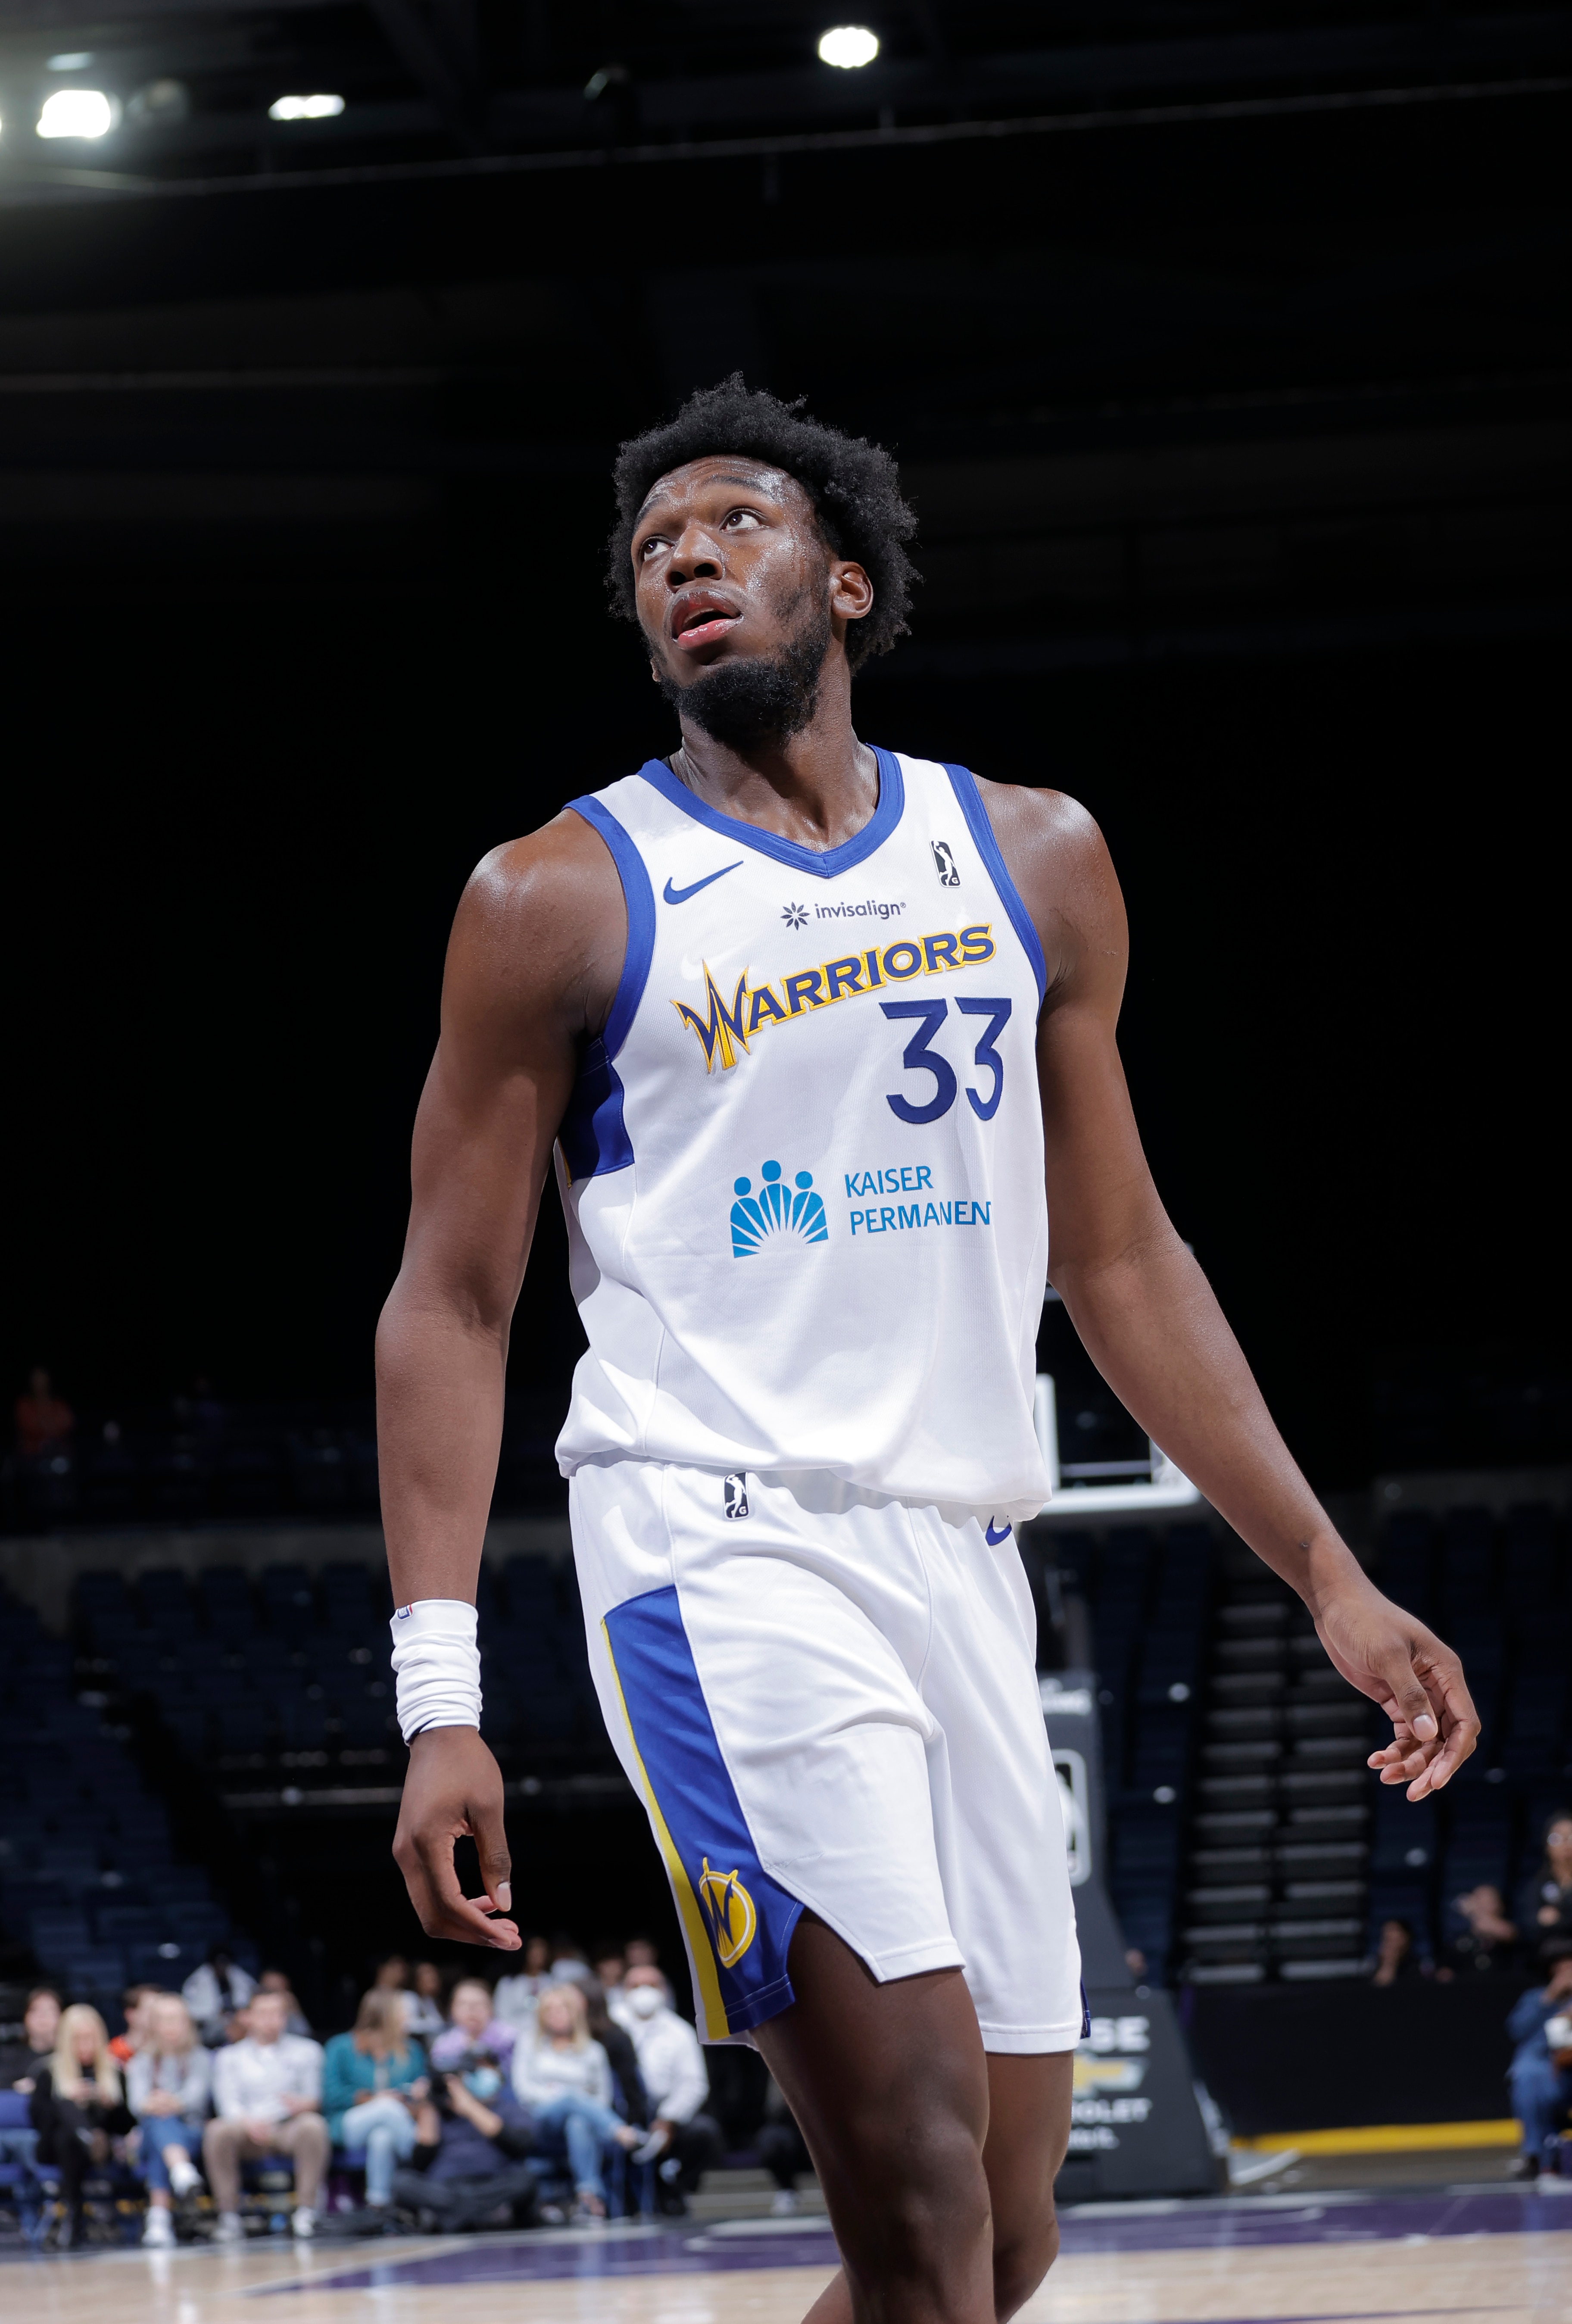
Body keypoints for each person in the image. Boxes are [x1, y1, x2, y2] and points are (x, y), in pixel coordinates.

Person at [376, 375, 1481, 2323]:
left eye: (731, 524)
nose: (686, 561)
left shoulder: (1032, 855)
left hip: (959, 1559)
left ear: (852, 582)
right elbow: (450, 1303)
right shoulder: (550, 894)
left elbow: (1119, 1253)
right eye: (651, 552)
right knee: (912, 2209)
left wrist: (1324, 1567)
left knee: (1005, 2219)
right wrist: (437, 1693)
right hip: (719, 1550)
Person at [204, 1985, 327, 2241]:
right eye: (263, 2013)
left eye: (278, 2014)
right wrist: (249, 2123)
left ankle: (306, 2212)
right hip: (246, 2129)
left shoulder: (308, 2050)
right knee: (218, 2130)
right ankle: (228, 2216)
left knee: (313, 2126)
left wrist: (302, 2105)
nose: (271, 2021)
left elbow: (313, 2098)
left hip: (288, 2127)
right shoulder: (230, 2057)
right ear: (247, 2017)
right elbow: (228, 2103)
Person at [512, 1981, 642, 2221]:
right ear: (541, 2015)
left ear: (575, 2013)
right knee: (572, 2098)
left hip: (584, 2122)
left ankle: (588, 2198)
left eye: (562, 2009)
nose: (556, 2015)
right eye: (550, 2010)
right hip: (540, 2119)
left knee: (578, 2122)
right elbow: (524, 2090)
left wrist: (569, 2097)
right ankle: (620, 2131)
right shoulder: (529, 2044)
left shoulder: (593, 2050)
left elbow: (602, 2098)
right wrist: (563, 2096)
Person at [391, 2051, 539, 2232]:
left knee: (526, 2179)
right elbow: (420, 2161)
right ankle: (480, 2215)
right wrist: (428, 2106)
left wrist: (469, 2106)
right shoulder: (435, 2112)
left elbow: (520, 2145)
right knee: (402, 2182)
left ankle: (457, 2217)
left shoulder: (505, 2108)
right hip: (446, 2189)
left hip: (491, 2184)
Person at [28, 2003, 135, 2248]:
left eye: (90, 2039)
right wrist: (65, 2102)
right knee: (66, 2130)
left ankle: (73, 2214)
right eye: (78, 2039)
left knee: (75, 2136)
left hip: (105, 2151)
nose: (85, 2046)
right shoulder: (48, 2073)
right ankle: (87, 2136)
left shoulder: (113, 2072)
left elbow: (126, 2126)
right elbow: (39, 2122)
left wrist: (111, 2105)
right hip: (55, 2149)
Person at [615, 1969, 721, 2214]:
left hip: (663, 2116)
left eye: (651, 1985)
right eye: (636, 1986)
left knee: (705, 2133)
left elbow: (694, 2084)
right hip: (620, 2115)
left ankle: (674, 2187)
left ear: (663, 1991)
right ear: (624, 1991)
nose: (644, 1992)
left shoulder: (679, 2030)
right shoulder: (611, 2024)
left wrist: (668, 2120)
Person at [322, 1989, 429, 2215]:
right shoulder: (340, 2047)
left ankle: (378, 2206)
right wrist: (374, 2099)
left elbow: (419, 2091)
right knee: (386, 2109)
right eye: (403, 2012)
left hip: (397, 2122)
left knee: (383, 2137)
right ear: (385, 2015)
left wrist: (417, 2094)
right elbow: (331, 2096)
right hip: (349, 2122)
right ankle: (427, 2162)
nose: (407, 2018)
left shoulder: (412, 2050)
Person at [127, 1994, 210, 2246]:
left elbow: (196, 2098)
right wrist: (160, 2104)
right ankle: (181, 2172)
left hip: (191, 2134)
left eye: (177, 2020)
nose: (171, 2027)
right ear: (154, 2026)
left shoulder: (200, 2058)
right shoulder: (140, 2061)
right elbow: (136, 2103)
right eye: (164, 2020)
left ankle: (159, 2219)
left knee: (158, 2132)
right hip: (151, 2132)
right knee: (157, 2124)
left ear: (188, 2024)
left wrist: (164, 2102)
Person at [1505, 1938, 1572, 2180]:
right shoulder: (1536, 1998)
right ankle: (1535, 2155)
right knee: (1527, 2076)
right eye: (1561, 1966)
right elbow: (1517, 2030)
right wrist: (1551, 1997)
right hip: (1544, 2065)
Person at [0, 1990, 61, 2197]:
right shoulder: (9, 2055)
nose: (43, 2019)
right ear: (26, 2018)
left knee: (27, 2141)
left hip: (46, 2134)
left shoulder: (66, 2058)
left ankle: (52, 2192)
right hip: (6, 2135)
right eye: (35, 2011)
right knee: (15, 2139)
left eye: (50, 2011)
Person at [583, 1980, 648, 2128]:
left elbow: (631, 2086)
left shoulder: (615, 2037)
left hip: (612, 2109)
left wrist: (634, 2123)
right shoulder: (562, 2035)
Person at [758, 2065, 813, 2218]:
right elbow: (773, 2106)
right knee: (771, 2139)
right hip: (794, 2128)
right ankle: (787, 2190)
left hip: (834, 2129)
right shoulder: (783, 2052)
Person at [429, 1977, 515, 2073]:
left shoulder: (510, 2039)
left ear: (491, 2007)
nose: (471, 2010)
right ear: (452, 2009)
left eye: (478, 2004)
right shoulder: (444, 2045)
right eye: (463, 2004)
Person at [1437, 1884, 1519, 1978]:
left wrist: (1475, 1913)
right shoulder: (1460, 1941)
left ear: (1500, 1906)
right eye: (1479, 1901)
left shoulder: (1508, 1932)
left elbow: (1506, 1933)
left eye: (1489, 1902)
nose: (1483, 1907)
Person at [1517, 1812, 1572, 1948]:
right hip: (1549, 1957)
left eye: (1571, 1837)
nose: (1566, 1844)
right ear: (1547, 1846)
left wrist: (1558, 1920)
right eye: (1557, 1838)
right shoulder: (1536, 1885)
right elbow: (1528, 1927)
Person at [183, 1944, 256, 2045]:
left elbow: (251, 1998)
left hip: (236, 2023)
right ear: (212, 1964)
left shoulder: (240, 1977)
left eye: (225, 1963)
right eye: (219, 1963)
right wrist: (216, 2014)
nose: (222, 1967)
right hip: (210, 2027)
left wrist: (237, 2014)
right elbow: (191, 2011)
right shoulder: (196, 1982)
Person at [493, 1935, 552, 2030]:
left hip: (545, 2037)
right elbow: (501, 2013)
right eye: (535, 1949)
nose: (539, 1954)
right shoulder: (508, 1983)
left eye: (543, 1950)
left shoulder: (552, 1981)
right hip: (513, 2036)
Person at [14, 1366, 73, 1457]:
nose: (39, 1383)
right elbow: (29, 1427)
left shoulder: (59, 1404)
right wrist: (51, 1424)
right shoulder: (24, 1404)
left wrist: (44, 1424)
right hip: (32, 1455)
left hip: (58, 1455)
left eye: (42, 1379)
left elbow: (68, 1424)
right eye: (36, 1379)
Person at [109, 1984, 162, 2066]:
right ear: (130, 2014)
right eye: (151, 2010)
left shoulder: (167, 2051)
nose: (157, 2016)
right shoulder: (112, 2052)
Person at [1369, 1918, 1426, 1985]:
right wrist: (1388, 1964)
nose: (1389, 1945)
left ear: (1406, 1939)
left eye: (1393, 1940)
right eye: (1386, 1940)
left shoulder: (1417, 1967)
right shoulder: (1374, 1965)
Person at [258, 1969, 313, 2038]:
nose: (273, 1995)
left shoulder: (291, 2006)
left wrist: (295, 2010)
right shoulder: (247, 2012)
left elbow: (305, 2034)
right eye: (268, 1989)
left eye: (278, 1990)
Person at [403, 1960, 447, 2041]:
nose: (433, 1982)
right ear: (417, 1980)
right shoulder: (409, 1997)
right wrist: (431, 2024)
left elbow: (440, 2024)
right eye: (429, 1980)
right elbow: (407, 2024)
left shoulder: (430, 2000)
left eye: (434, 1979)